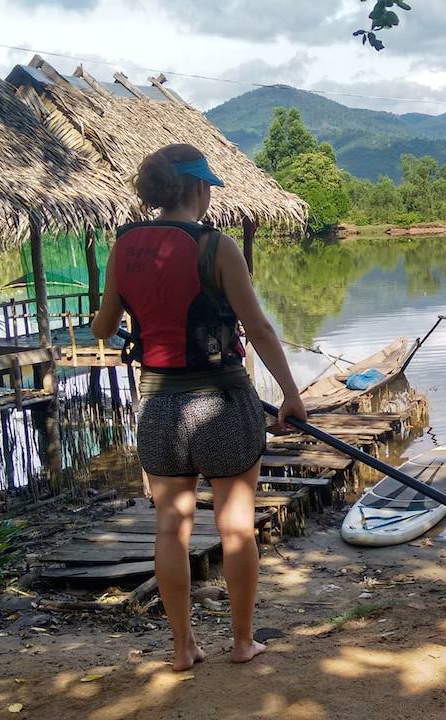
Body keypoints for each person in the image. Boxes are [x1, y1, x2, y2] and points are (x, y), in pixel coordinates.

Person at [92, 144, 307, 672]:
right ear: (194, 189)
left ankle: (183, 647)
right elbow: (257, 328)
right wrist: (291, 395)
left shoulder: (125, 247)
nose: (210, 194)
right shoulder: (217, 247)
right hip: (224, 401)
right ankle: (241, 642)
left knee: (171, 525)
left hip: (159, 406)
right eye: (208, 186)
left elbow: (102, 328)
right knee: (236, 523)